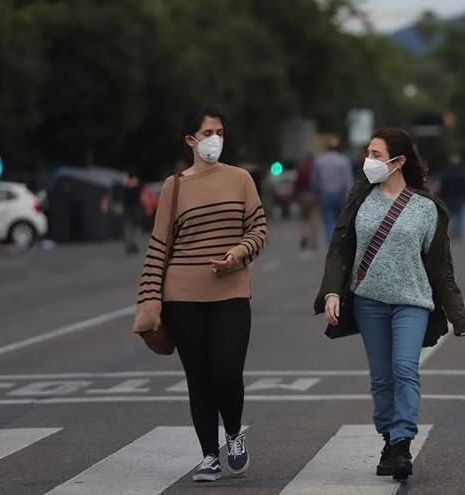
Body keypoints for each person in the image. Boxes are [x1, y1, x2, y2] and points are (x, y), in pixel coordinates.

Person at [314, 127, 465, 482]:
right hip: (368, 301)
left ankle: (402, 443)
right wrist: (332, 293)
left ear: (398, 162)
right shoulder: (359, 199)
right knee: (382, 378)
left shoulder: (426, 208)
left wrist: (458, 316)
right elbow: (339, 249)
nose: (367, 161)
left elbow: (441, 267)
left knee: (404, 369)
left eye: (376, 155)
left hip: (412, 302)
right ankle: (389, 437)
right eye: (367, 153)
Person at [133, 108, 266, 482]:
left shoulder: (240, 179)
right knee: (199, 377)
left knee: (227, 371)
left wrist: (236, 254)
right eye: (208, 132)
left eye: (220, 131)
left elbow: (258, 229)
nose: (215, 139)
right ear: (190, 140)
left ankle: (234, 434)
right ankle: (209, 455)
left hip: (231, 290)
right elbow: (159, 245)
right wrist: (149, 297)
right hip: (182, 296)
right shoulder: (173, 187)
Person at [312, 137, 354, 246]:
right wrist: (350, 194)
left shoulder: (320, 160)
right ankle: (340, 240)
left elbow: (315, 179)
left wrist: (316, 194)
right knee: (341, 219)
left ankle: (331, 242)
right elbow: (348, 179)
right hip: (340, 193)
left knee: (328, 219)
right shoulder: (343, 160)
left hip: (326, 193)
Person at [438, 155, 465, 239]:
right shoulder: (462, 173)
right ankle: (458, 233)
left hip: (447, 196)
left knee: (450, 214)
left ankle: (449, 232)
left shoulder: (446, 173)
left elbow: (442, 186)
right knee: (458, 214)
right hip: (459, 197)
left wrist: (441, 196)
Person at [295, 153, 320, 254]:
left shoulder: (301, 169)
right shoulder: (316, 170)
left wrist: (296, 195)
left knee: (304, 218)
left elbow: (297, 184)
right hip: (314, 196)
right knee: (314, 218)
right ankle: (313, 239)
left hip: (303, 195)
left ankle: (304, 236)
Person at [122, 170, 144, 255]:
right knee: (137, 227)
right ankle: (135, 242)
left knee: (127, 226)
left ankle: (129, 244)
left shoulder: (125, 184)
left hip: (127, 208)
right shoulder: (138, 184)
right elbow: (142, 197)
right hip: (136, 208)